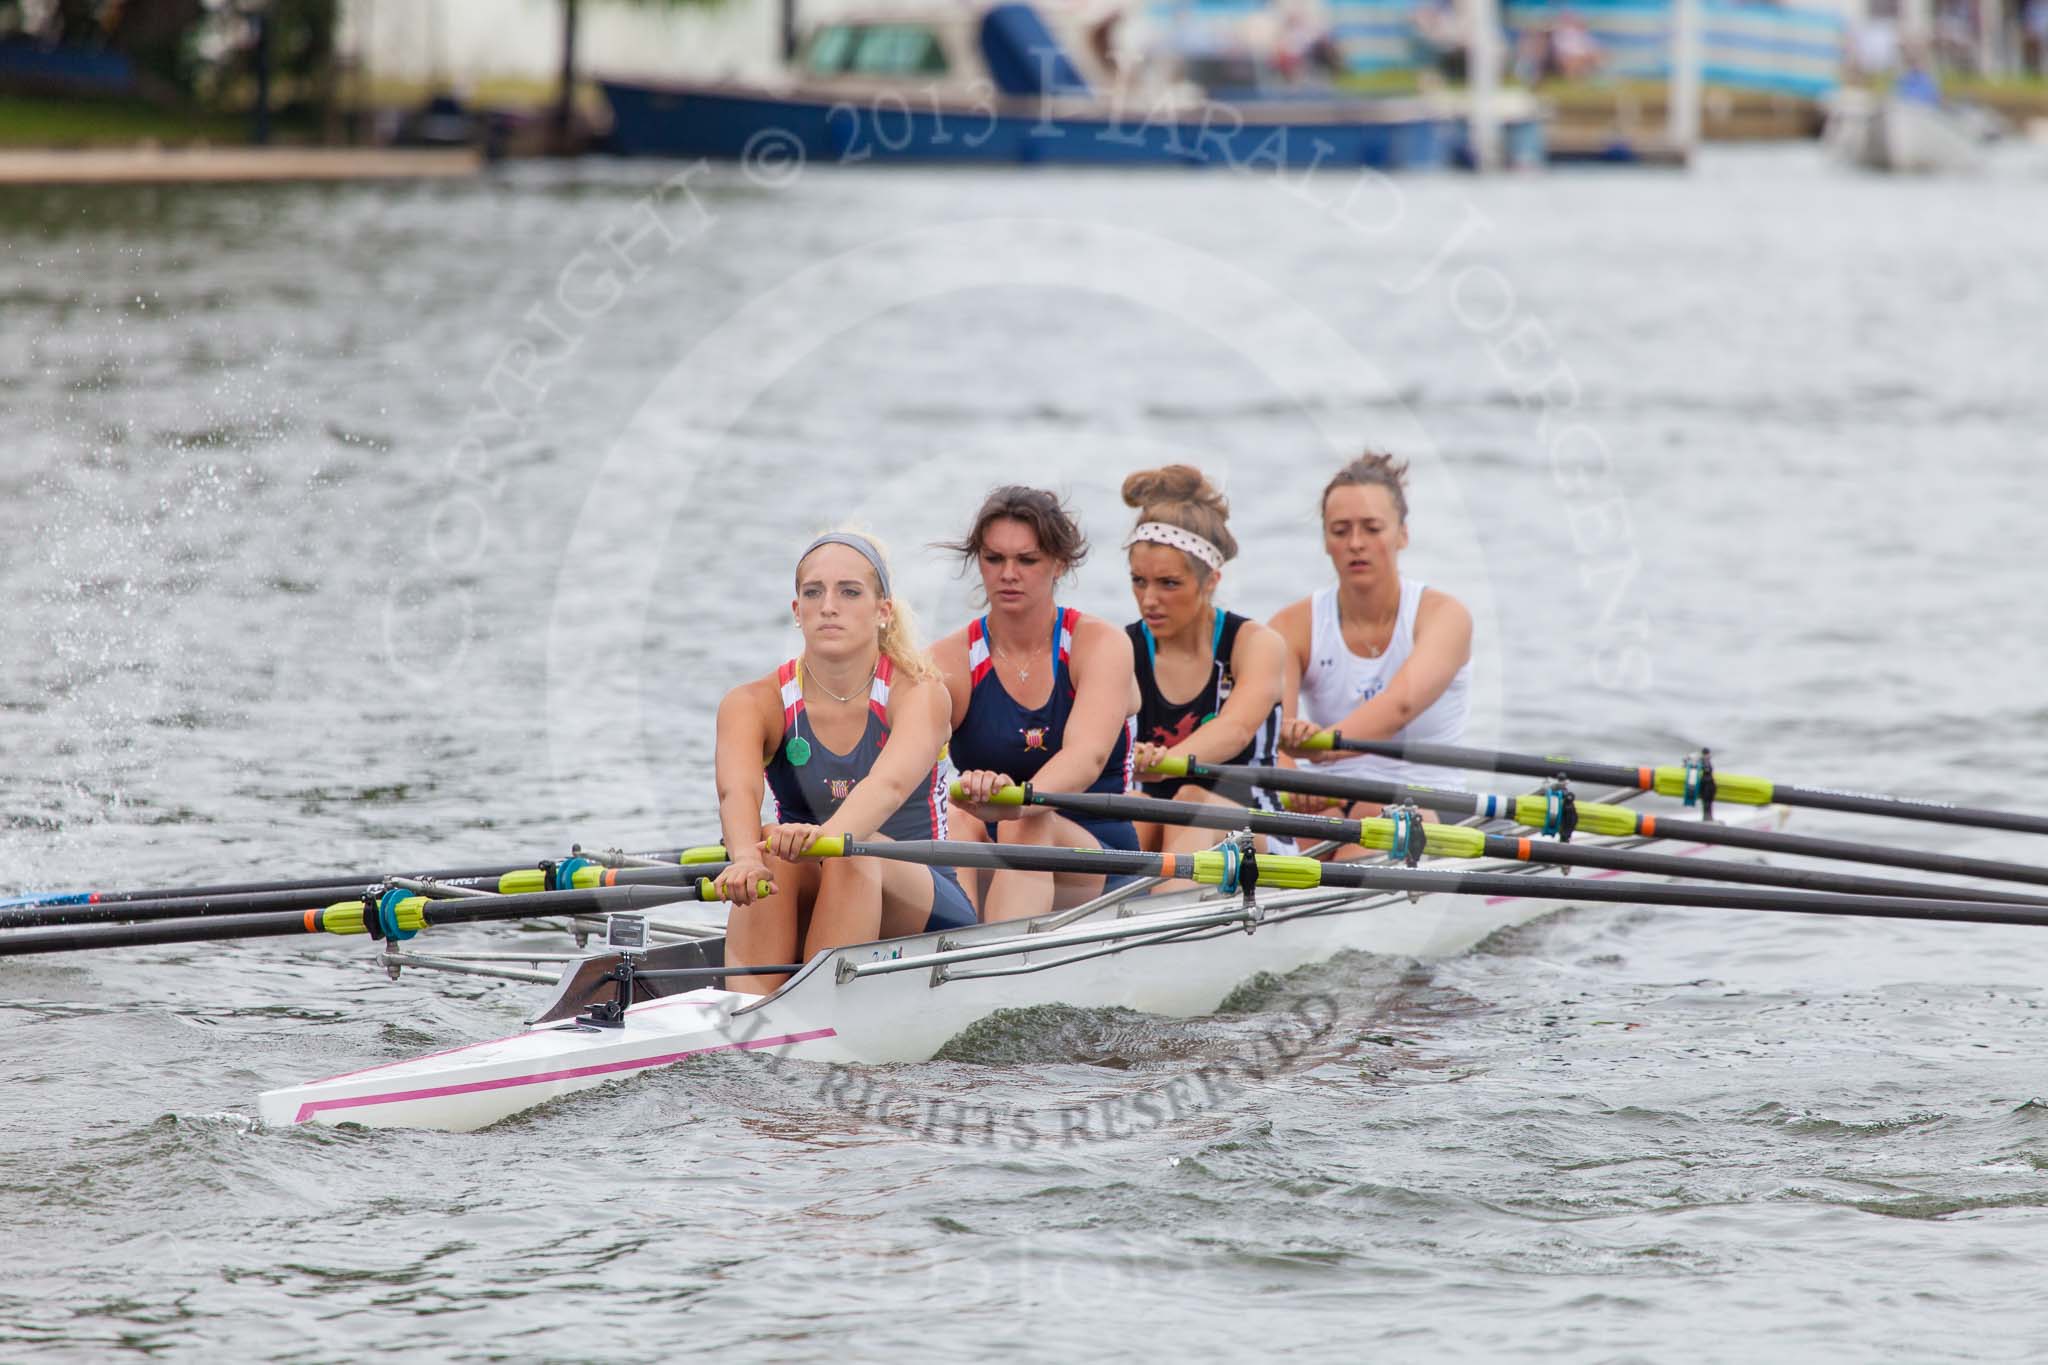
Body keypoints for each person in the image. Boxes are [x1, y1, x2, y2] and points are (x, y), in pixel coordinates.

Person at [712, 532, 973, 994]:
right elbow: (738, 792)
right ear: (797, 612)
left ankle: (814, 1010)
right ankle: (745, 1011)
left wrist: (826, 839)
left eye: (849, 592)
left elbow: (887, 787)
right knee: (770, 853)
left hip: (922, 902)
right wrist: (746, 859)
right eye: (813, 592)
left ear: (882, 611)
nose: (828, 606)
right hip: (810, 878)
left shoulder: (920, 694)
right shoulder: (751, 703)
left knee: (854, 851)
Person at [938, 486, 1139, 921]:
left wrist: (1013, 802)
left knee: (1025, 822)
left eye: (1027, 560)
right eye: (994, 559)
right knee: (953, 820)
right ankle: (955, 952)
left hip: (1096, 857)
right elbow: (907, 765)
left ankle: (987, 963)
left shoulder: (1099, 644)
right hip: (993, 847)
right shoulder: (947, 660)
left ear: (1059, 564)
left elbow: (1087, 757)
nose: (1009, 574)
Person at [1269, 452, 1473, 833]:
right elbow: (1272, 735)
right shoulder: (1290, 626)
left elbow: (1401, 705)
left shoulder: (1444, 616)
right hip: (1330, 799)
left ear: (1402, 534)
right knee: (1315, 822)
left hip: (1432, 802)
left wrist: (1321, 748)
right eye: (1340, 530)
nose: (1356, 543)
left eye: (1372, 528)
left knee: (1371, 809)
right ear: (1326, 541)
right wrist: (1293, 777)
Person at [1119, 465, 1289, 881]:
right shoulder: (1120, 650)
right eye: (1138, 581)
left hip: (1257, 824)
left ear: (1210, 580)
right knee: (1134, 816)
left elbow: (1235, 729)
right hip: (1155, 818)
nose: (1149, 599)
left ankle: (1157, 928)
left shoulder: (1255, 643)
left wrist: (1167, 762)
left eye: (1169, 584)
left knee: (1191, 797)